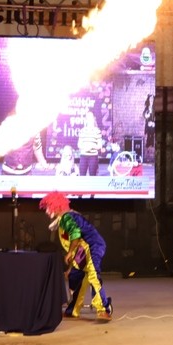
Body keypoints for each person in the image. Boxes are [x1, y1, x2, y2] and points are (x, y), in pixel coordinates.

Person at [39, 191, 113, 320]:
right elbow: (76, 242)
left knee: (93, 275)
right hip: (82, 249)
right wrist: (71, 266)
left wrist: (69, 253)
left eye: (48, 207)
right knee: (76, 277)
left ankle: (104, 308)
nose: (46, 212)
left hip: (93, 245)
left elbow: (76, 235)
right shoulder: (63, 219)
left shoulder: (66, 217)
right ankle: (72, 310)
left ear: (56, 207)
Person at [76, 111, 104, 176]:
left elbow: (100, 145)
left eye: (91, 117)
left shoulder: (97, 131)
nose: (89, 119)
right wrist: (85, 148)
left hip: (93, 157)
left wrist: (92, 146)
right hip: (83, 156)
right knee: (82, 175)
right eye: (88, 117)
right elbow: (79, 144)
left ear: (93, 118)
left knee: (92, 176)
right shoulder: (82, 131)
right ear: (86, 119)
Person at [142, 94, 156, 160]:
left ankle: (151, 146)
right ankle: (148, 148)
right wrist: (147, 114)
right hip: (148, 125)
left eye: (152, 100)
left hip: (153, 125)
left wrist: (154, 122)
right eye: (150, 100)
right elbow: (144, 116)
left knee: (152, 136)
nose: (151, 101)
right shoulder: (147, 108)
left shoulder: (155, 108)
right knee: (148, 136)